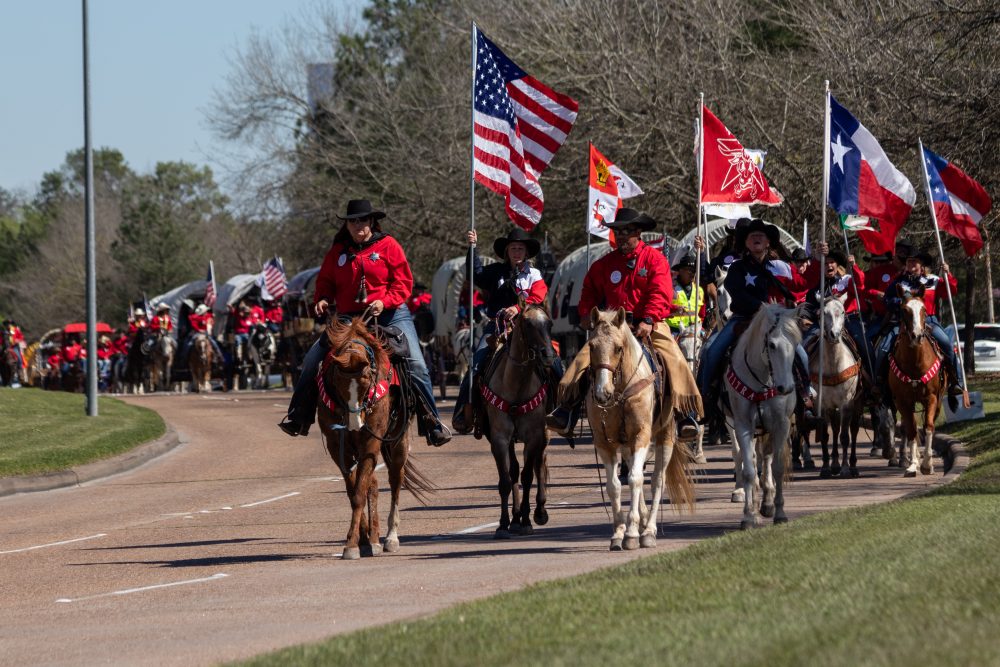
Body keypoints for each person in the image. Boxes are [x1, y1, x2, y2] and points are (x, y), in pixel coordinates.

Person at [278, 198, 451, 446]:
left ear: (372, 222)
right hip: (349, 317)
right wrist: (323, 299)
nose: (359, 225)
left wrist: (385, 301)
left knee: (417, 364)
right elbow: (325, 282)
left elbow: (403, 282)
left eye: (363, 220)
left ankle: (432, 422)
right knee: (311, 360)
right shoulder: (337, 251)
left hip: (391, 314)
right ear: (347, 225)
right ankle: (298, 416)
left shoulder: (389, 245)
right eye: (353, 221)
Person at [546, 208, 703, 438]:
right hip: (612, 326)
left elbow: (660, 292)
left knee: (674, 356)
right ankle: (566, 409)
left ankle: (684, 413)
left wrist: (648, 319)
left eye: (626, 232)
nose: (620, 236)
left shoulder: (654, 259)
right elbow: (589, 290)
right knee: (583, 359)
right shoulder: (604, 264)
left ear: (638, 232)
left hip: (649, 323)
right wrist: (589, 315)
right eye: (617, 232)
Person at [695, 218, 814, 415]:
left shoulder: (781, 267)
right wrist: (761, 308)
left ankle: (805, 395)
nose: (756, 237)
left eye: (761, 235)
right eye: (752, 236)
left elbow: (802, 284)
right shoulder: (737, 268)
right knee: (710, 349)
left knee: (800, 353)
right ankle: (704, 398)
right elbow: (737, 292)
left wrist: (817, 261)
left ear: (768, 242)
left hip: (777, 323)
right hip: (743, 320)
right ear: (746, 243)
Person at [452, 227, 559, 435]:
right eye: (513, 248)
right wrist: (472, 248)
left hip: (529, 327)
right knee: (475, 366)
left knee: (553, 361)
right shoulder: (495, 272)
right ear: (507, 252)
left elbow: (538, 295)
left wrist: (519, 307)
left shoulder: (535, 274)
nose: (517, 252)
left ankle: (560, 410)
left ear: (526, 253)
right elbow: (475, 275)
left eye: (520, 248)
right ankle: (465, 412)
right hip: (497, 326)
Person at [879, 248, 962, 405]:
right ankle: (881, 385)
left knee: (947, 344)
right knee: (883, 348)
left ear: (921, 265)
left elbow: (950, 292)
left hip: (929, 321)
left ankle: (956, 382)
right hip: (903, 323)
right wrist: (901, 303)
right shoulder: (898, 282)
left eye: (914, 262)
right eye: (908, 261)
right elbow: (887, 300)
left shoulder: (933, 280)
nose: (910, 264)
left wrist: (948, 275)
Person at [801, 249, 874, 378]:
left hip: (849, 320)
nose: (829, 265)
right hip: (823, 323)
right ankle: (802, 383)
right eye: (825, 263)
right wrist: (816, 311)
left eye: (831, 262)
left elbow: (860, 284)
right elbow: (810, 305)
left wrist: (854, 266)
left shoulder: (846, 280)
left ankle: (873, 380)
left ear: (836, 265)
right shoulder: (816, 286)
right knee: (803, 346)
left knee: (864, 345)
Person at [665, 254, 706, 334]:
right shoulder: (669, 288)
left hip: (695, 332)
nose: (692, 273)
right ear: (680, 270)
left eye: (694, 270)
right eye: (689, 270)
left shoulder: (699, 290)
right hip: (674, 331)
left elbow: (702, 314)